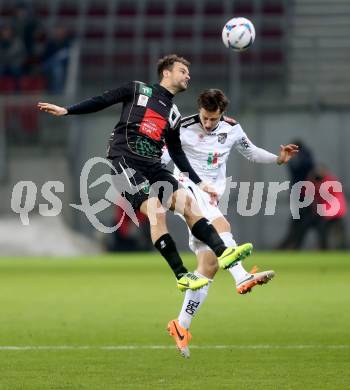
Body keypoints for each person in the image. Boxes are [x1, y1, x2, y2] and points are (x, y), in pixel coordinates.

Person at [38, 54, 253, 293]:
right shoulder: (137, 90)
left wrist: (199, 182)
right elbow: (102, 100)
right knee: (155, 211)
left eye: (188, 73)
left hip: (153, 165)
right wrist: (67, 110)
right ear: (167, 73)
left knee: (189, 206)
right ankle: (182, 275)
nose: (188, 76)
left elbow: (177, 153)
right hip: (125, 161)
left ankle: (224, 254)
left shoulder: (174, 113)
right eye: (183, 71)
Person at [164, 89, 299, 358]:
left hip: (211, 196)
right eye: (205, 117)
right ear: (199, 110)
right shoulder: (182, 127)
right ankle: (241, 276)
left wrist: (277, 158)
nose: (209, 123)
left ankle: (181, 325)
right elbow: (163, 157)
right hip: (186, 190)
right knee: (221, 227)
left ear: (221, 114)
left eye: (214, 119)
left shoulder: (232, 129)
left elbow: (250, 152)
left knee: (209, 266)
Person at [278, 140, 315, 249]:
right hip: (301, 193)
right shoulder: (305, 157)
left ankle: (290, 245)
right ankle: (291, 245)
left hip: (300, 193)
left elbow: (297, 169)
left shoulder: (300, 158)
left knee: (300, 222)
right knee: (299, 222)